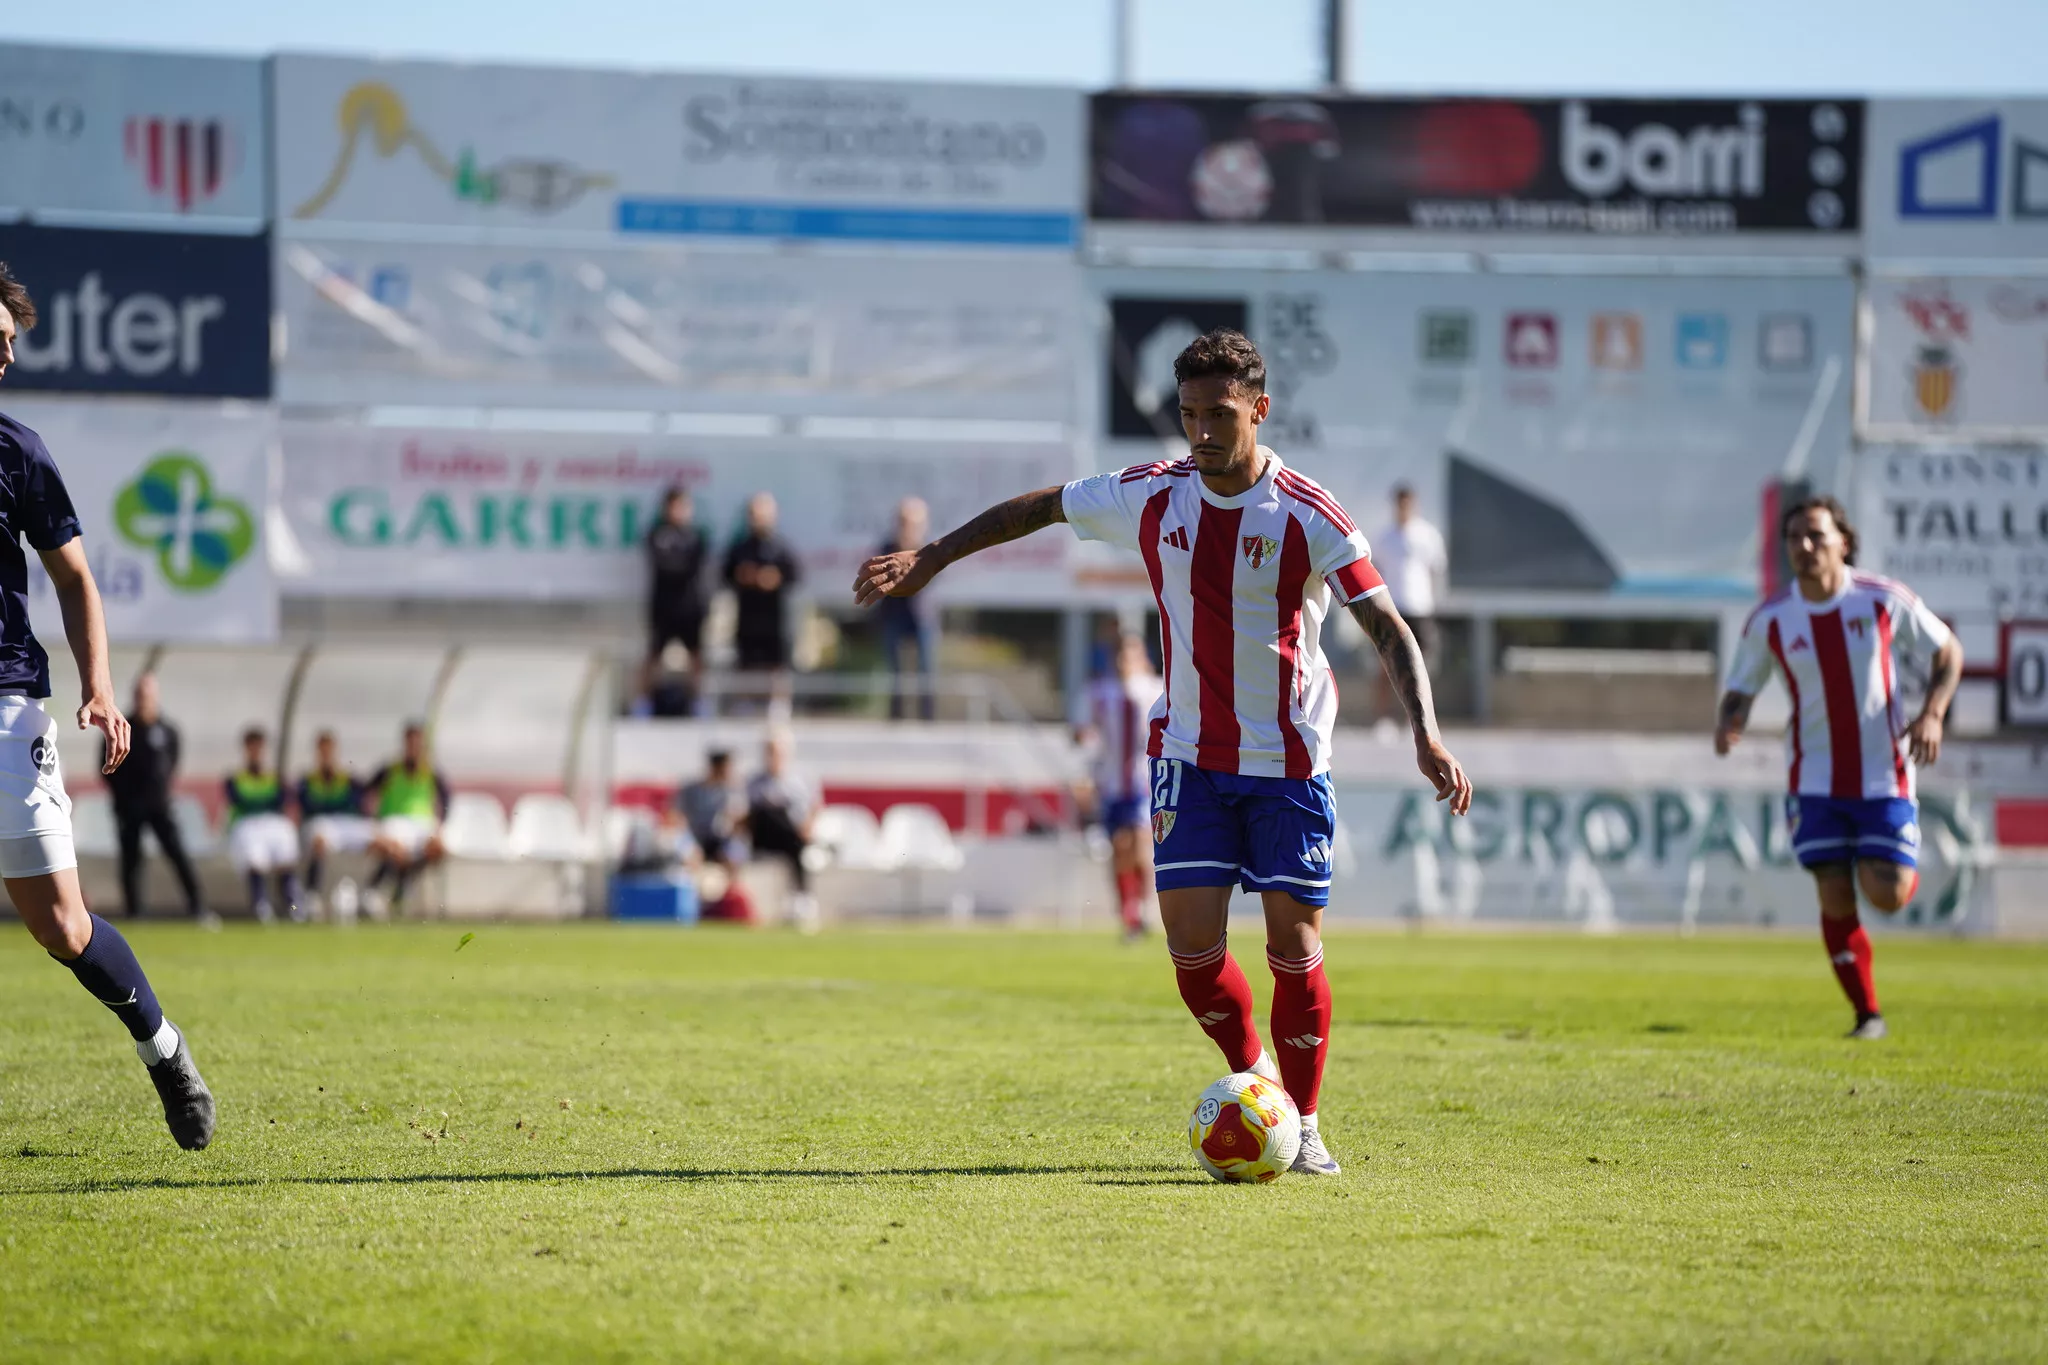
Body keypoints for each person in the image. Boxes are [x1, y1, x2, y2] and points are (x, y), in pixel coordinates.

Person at [856, 328, 1471, 1176]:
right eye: (1189, 414)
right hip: (1189, 756)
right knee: (1192, 957)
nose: (1203, 432)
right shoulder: (1150, 494)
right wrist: (933, 556)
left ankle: (1310, 1122)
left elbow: (1388, 627)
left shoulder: (1308, 514)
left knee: (1292, 945)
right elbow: (1035, 508)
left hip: (1289, 763)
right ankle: (1261, 1084)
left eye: (1219, 413)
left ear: (1259, 409)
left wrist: (1424, 730)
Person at [0, 263, 214, 1149]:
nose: (5, 348)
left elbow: (75, 578)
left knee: (62, 924)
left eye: (11, 337)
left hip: (6, 710)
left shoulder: (18, 449)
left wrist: (99, 687)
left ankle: (163, 1048)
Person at [1715, 496, 1962, 1041]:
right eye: (1794, 538)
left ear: (1843, 542)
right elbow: (1742, 685)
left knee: (1889, 893)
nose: (1804, 547)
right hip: (1814, 780)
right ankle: (1867, 1015)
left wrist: (1934, 715)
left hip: (1884, 775)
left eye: (1816, 536)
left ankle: (1884, 863)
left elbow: (1949, 651)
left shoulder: (1882, 600)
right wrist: (1730, 720)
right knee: (1833, 891)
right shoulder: (1772, 619)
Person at [104, 672, 208, 924]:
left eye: (147, 694)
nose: (143, 700)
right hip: (129, 807)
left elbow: (171, 762)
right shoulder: (121, 727)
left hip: (160, 806)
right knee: (131, 860)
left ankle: (198, 907)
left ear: (155, 696)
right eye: (139, 694)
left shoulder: (167, 730)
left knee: (177, 854)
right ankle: (135, 912)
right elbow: (106, 766)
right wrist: (124, 796)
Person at [1080, 632, 1165, 940]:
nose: (1123, 660)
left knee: (1142, 843)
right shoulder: (1100, 693)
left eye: (1130, 653)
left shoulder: (1156, 689)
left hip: (1147, 783)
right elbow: (1086, 736)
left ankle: (1143, 909)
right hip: (1113, 784)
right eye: (1120, 653)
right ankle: (1127, 912)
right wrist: (1085, 774)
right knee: (1120, 848)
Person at [1369, 484, 1448, 722]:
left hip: (1420, 609)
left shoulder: (1428, 535)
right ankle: (1384, 718)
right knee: (1387, 665)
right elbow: (1376, 572)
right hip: (1393, 609)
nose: (1404, 508)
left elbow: (1436, 570)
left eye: (1407, 503)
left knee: (1419, 668)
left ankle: (1418, 721)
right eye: (1400, 504)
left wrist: (1432, 601)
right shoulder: (1384, 538)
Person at [724, 492, 802, 715]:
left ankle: (779, 706)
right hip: (748, 615)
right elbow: (727, 574)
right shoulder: (740, 547)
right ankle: (744, 704)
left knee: (777, 663)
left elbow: (794, 576)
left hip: (775, 616)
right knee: (745, 661)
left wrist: (773, 579)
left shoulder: (781, 547)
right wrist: (745, 577)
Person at [363, 721, 451, 917]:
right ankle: (376, 890)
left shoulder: (431, 772)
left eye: (418, 744)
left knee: (438, 848)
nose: (414, 748)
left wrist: (440, 826)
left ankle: (403, 884)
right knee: (396, 849)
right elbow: (364, 792)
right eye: (411, 743)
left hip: (422, 824)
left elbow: (446, 801)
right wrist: (371, 822)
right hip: (394, 821)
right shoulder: (390, 769)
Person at [642, 486, 710, 716]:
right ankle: (643, 703)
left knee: (696, 655)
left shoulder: (696, 536)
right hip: (663, 606)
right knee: (654, 655)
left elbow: (694, 565)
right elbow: (663, 565)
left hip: (689, 606)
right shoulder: (656, 534)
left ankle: (699, 703)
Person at [224, 726, 301, 923]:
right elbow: (241, 801)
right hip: (247, 824)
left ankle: (292, 904)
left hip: (272, 824)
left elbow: (285, 800)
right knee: (255, 858)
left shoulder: (275, 778)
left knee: (285, 850)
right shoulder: (235, 779)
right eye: (252, 747)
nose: (256, 752)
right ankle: (260, 904)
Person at [745, 732, 821, 931]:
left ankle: (801, 899)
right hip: (764, 837)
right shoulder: (754, 782)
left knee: (795, 839)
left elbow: (815, 807)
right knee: (770, 813)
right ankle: (800, 897)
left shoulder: (800, 779)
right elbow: (746, 814)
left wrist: (808, 826)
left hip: (793, 837)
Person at [875, 497, 937, 721]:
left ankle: (927, 718)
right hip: (893, 613)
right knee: (895, 671)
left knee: (926, 670)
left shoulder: (930, 549)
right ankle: (897, 717)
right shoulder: (887, 547)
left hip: (921, 615)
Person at [297, 729, 369, 918]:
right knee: (320, 839)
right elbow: (308, 807)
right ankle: (312, 894)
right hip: (320, 824)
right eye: (323, 751)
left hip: (345, 824)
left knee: (384, 841)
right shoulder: (308, 780)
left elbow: (358, 804)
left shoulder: (348, 779)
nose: (326, 755)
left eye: (329, 750)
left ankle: (372, 893)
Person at [676, 748, 753, 923]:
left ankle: (728, 906)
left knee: (735, 852)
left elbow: (739, 825)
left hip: (722, 843)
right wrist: (690, 847)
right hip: (697, 841)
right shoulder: (692, 791)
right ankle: (691, 910)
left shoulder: (735, 791)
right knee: (685, 855)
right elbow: (676, 819)